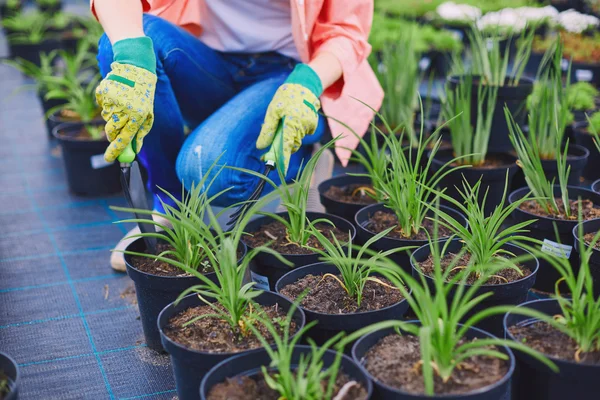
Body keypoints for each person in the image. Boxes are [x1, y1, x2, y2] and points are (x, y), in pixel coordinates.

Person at [91, 0, 383, 271]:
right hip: (205, 63)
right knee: (118, 44)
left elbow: (347, 29)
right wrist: (131, 56)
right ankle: (170, 209)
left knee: (206, 169)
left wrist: (307, 83)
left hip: (290, 74)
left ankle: (304, 154)